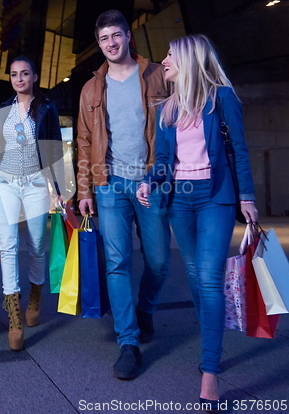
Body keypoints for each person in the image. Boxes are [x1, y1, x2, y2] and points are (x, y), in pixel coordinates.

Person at [136, 34, 258, 410]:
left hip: (215, 198)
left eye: (170, 54)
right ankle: (212, 345)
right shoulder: (166, 110)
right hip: (180, 201)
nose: (165, 60)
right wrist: (149, 180)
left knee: (209, 279)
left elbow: (239, 149)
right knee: (195, 276)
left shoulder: (221, 99)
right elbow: (163, 161)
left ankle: (209, 371)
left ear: (188, 60)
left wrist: (248, 196)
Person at [77, 10, 171, 380]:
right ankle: (128, 341)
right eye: (104, 39)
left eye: (116, 35)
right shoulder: (91, 89)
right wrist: (84, 188)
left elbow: (175, 124)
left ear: (129, 36)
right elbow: (84, 143)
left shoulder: (157, 76)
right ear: (99, 44)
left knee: (160, 260)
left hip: (150, 181)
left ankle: (145, 309)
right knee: (117, 262)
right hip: (109, 183)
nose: (111, 43)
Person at [0, 56, 63, 351]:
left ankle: (35, 296)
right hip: (6, 184)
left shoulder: (46, 108)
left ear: (34, 76)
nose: (19, 79)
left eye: (24, 73)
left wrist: (59, 187)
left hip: (36, 185)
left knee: (37, 245)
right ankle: (14, 314)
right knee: (8, 246)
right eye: (14, 74)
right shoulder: (4, 108)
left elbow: (54, 147)